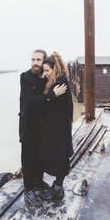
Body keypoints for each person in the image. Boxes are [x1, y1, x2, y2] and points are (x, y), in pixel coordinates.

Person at [19, 49, 67, 207]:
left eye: (38, 60)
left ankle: (38, 183)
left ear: (43, 61)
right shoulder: (25, 78)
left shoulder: (46, 77)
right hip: (29, 124)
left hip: (42, 125)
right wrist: (51, 96)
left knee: (39, 155)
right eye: (32, 59)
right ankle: (28, 189)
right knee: (28, 157)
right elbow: (30, 102)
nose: (35, 63)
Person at [39, 51, 74, 201]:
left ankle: (58, 190)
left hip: (58, 129)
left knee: (60, 158)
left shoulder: (59, 83)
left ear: (55, 69)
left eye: (47, 70)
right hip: (59, 127)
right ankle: (57, 187)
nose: (44, 73)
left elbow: (51, 106)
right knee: (60, 157)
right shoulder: (58, 81)